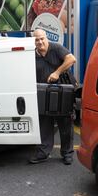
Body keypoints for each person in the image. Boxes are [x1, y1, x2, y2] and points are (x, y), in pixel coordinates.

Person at [29, 29, 76, 165]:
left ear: (46, 38)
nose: (40, 42)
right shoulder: (32, 55)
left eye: (42, 38)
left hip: (62, 91)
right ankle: (43, 153)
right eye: (37, 40)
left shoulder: (56, 48)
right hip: (43, 93)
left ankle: (67, 153)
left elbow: (71, 59)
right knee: (44, 122)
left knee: (65, 123)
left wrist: (57, 72)